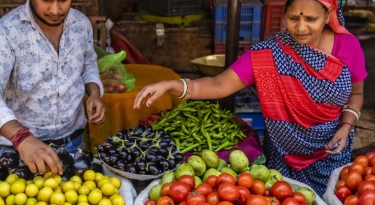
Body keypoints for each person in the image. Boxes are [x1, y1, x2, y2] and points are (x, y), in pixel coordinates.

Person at [134, 0, 367, 196]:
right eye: (293, 18)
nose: (300, 27)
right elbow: (219, 84)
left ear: (327, 15)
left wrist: (346, 126)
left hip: (331, 153)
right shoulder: (269, 53)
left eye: (310, 19)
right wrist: (171, 84)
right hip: (281, 159)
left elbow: (356, 95)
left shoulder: (347, 47)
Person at [0, 0, 105, 176]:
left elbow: (88, 63)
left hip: (73, 142)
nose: (55, 10)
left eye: (63, 1)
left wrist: (94, 93)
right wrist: (21, 137)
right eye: (47, 0)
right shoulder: (5, 33)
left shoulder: (81, 24)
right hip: (21, 150)